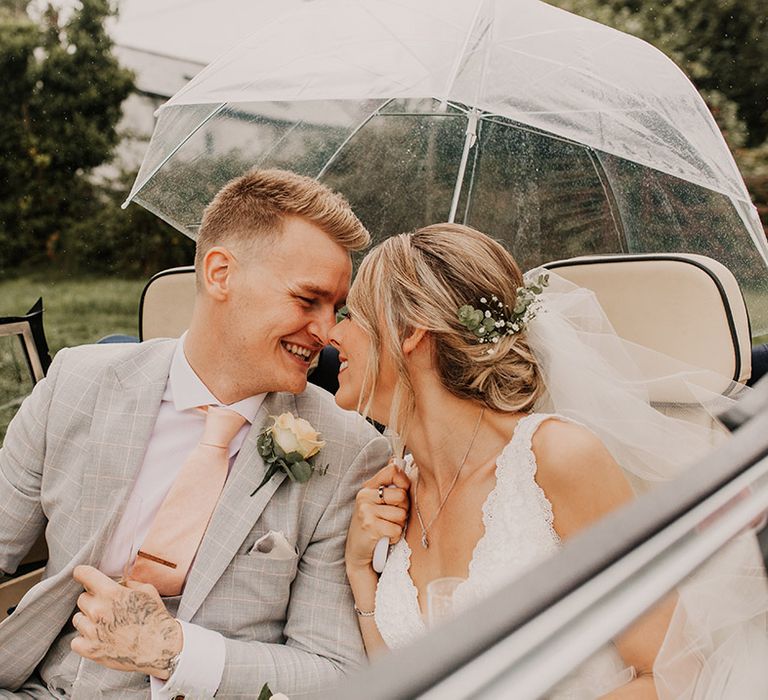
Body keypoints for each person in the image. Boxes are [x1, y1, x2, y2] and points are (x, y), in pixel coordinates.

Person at [331, 223, 768, 698]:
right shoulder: (394, 491)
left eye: (351, 315)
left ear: (411, 331)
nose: (332, 335)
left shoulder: (553, 459)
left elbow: (674, 674)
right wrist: (360, 570)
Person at [0, 169, 390, 699]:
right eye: (307, 301)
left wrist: (174, 649)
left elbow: (332, 671)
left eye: (335, 309)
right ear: (220, 273)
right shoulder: (74, 384)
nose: (326, 333)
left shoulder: (350, 451)